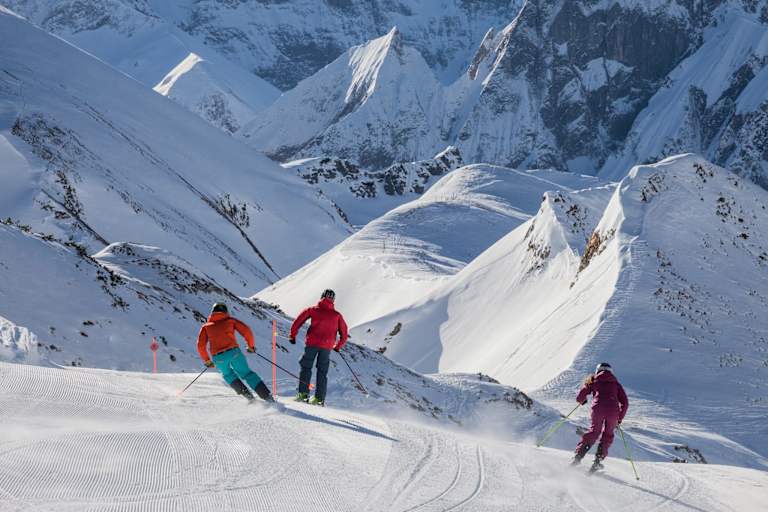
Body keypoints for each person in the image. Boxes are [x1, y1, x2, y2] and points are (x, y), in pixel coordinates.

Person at [197, 302, 274, 402]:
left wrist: (207, 360)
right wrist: (251, 346)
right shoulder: (230, 321)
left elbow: (200, 345)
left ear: (212, 312)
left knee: (228, 375)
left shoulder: (206, 327)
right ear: (225, 311)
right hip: (234, 353)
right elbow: (247, 331)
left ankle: (250, 398)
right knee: (247, 374)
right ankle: (267, 398)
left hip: (218, 358)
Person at [289, 289, 348, 406]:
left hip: (312, 344)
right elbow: (344, 334)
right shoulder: (337, 315)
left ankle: (303, 394)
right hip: (327, 346)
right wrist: (338, 346)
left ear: (321, 297)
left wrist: (292, 335)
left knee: (306, 367)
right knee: (322, 372)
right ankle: (319, 399)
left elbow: (298, 321)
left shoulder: (313, 310)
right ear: (333, 300)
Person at [572, 362, 629, 470]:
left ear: (597, 371)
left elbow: (580, 396)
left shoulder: (593, 380)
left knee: (594, 432)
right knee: (607, 435)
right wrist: (619, 419)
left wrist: (582, 401)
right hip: (613, 412)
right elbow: (625, 403)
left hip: (597, 409)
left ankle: (578, 457)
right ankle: (597, 461)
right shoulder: (616, 384)